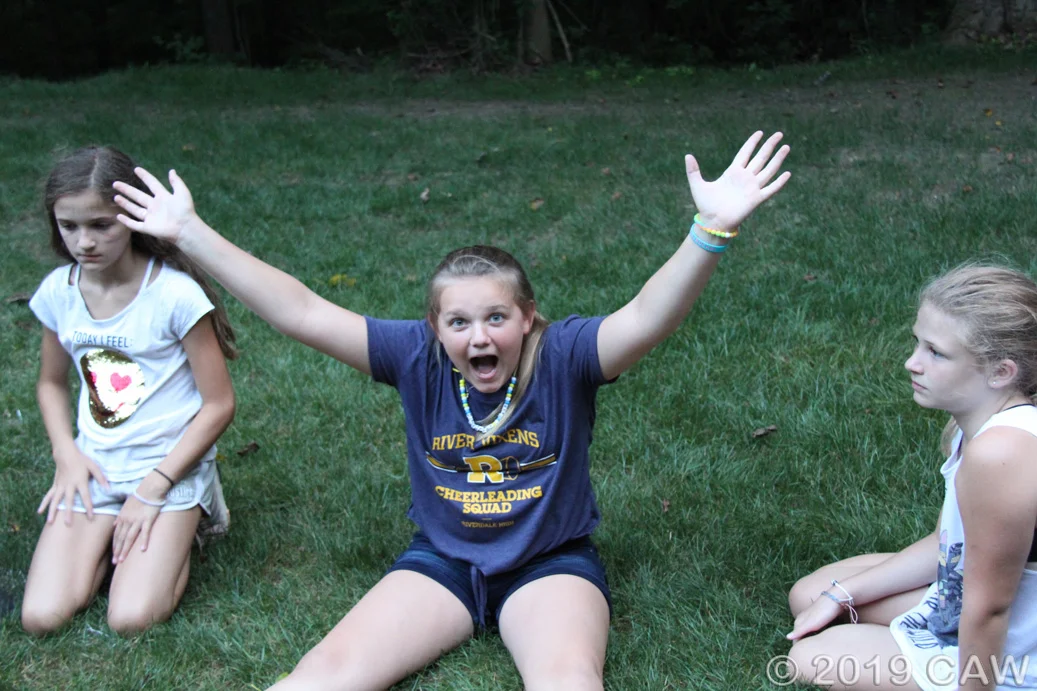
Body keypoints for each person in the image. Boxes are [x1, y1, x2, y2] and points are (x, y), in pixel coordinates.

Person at [112, 130, 790, 690]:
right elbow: (302, 311)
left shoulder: (565, 354)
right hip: (441, 562)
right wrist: (190, 233)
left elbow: (646, 317)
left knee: (568, 681)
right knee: (320, 677)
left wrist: (710, 230)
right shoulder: (417, 358)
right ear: (435, 329)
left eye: (496, 316)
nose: (478, 336)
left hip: (549, 564)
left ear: (527, 318)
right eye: (458, 321)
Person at [786, 265, 1037, 690]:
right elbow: (948, 543)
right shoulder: (974, 427)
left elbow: (990, 609)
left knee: (810, 657)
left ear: (1001, 372)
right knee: (811, 595)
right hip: (979, 594)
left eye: (936, 352)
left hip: (1013, 643)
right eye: (917, 343)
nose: (912, 363)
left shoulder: (1000, 454)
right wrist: (843, 595)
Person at [20, 146, 237, 636]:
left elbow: (219, 404)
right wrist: (66, 454)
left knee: (131, 618)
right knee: (41, 617)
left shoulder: (175, 295)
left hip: (168, 468)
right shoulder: (58, 291)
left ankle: (195, 515)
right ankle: (109, 541)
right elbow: (50, 383)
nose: (84, 242)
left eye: (101, 225)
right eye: (69, 226)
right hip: (96, 466)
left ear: (133, 218)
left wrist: (154, 486)